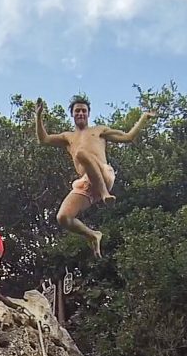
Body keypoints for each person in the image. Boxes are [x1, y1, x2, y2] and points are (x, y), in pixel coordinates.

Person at [35, 94, 155, 257]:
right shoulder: (67, 137)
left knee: (81, 153)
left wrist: (143, 118)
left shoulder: (99, 130)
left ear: (88, 113)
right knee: (63, 217)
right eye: (77, 111)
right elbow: (44, 140)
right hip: (86, 183)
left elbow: (128, 137)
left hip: (104, 175)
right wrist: (38, 116)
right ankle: (93, 234)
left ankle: (105, 193)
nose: (80, 114)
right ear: (72, 114)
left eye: (84, 111)